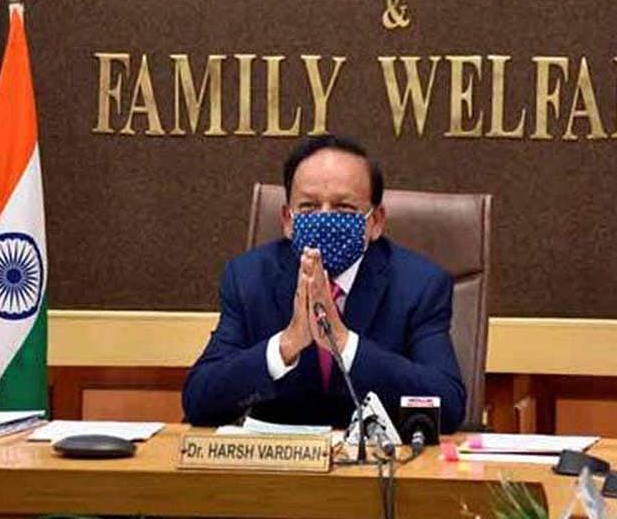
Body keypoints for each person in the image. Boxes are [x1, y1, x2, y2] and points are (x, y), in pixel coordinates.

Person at [182, 135, 466, 431]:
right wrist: (286, 345)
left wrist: (343, 342)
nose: (325, 220)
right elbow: (198, 401)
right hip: (282, 458)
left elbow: (447, 405)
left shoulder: (420, 285)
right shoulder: (248, 278)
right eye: (309, 207)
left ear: (375, 222)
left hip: (374, 456)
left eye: (344, 209)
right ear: (288, 220)